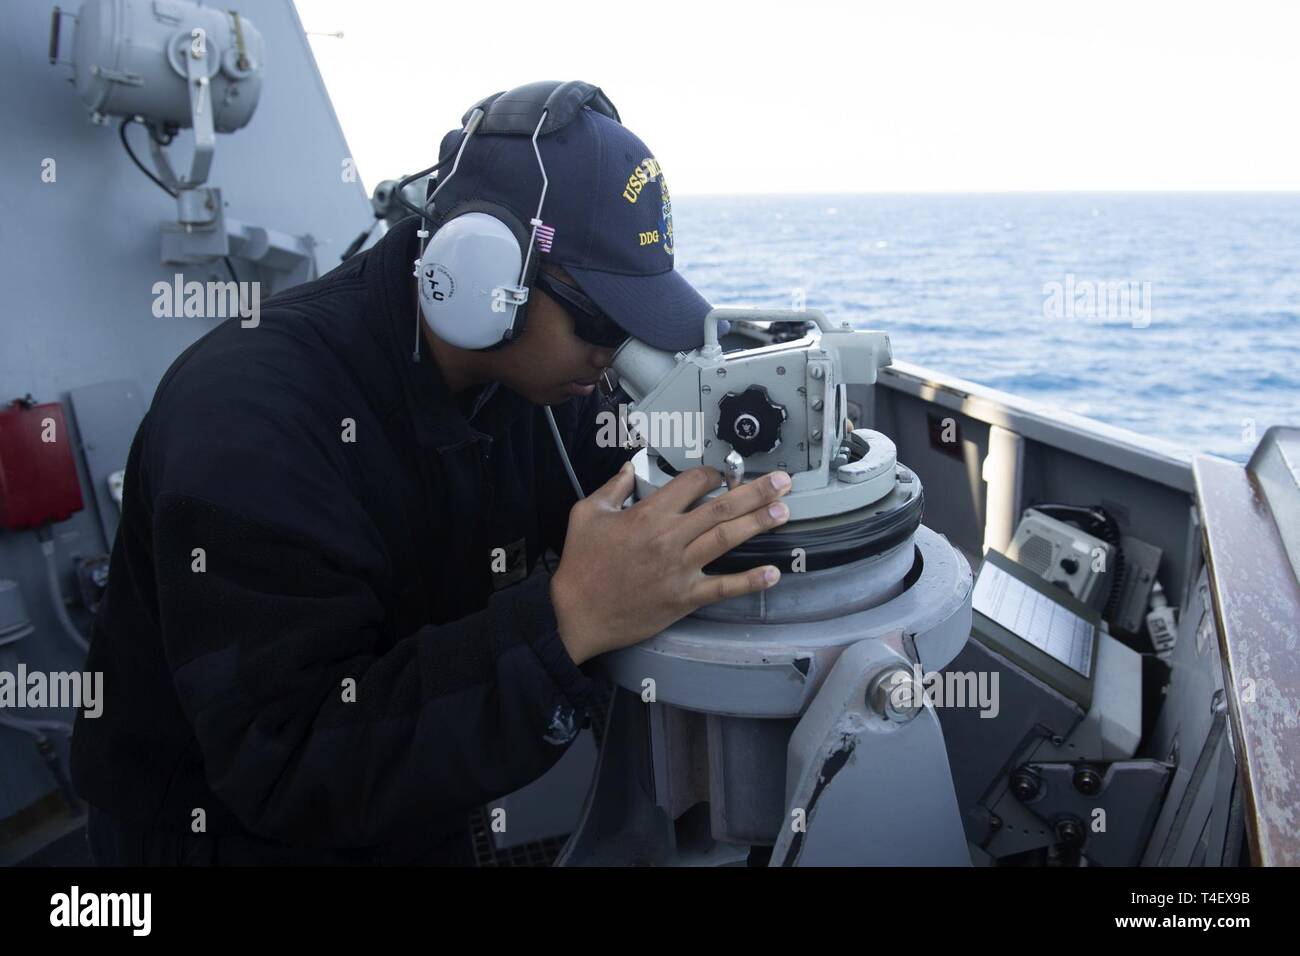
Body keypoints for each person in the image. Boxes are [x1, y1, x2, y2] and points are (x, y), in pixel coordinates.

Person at [70, 82, 792, 864]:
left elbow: (634, 483)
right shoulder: (251, 423)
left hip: (412, 806)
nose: (614, 353)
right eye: (602, 320)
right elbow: (287, 765)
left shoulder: (539, 380)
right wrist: (568, 618)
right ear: (483, 275)